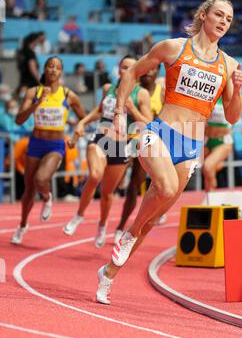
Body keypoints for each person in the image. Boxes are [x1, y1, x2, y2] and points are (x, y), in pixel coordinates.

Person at [96, 0, 242, 304]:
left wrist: (238, 89)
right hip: (160, 132)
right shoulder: (174, 47)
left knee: (152, 220)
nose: (223, 22)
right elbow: (132, 72)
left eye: (228, 19)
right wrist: (119, 112)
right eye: (219, 15)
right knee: (164, 187)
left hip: (192, 143)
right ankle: (128, 233)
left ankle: (108, 274)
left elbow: (232, 116)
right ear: (204, 15)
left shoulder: (228, 64)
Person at [62, 55, 152, 248]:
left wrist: (132, 109)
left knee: (107, 192)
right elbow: (99, 110)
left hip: (120, 145)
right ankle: (78, 216)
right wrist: (82, 122)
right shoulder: (108, 89)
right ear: (118, 69)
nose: (126, 71)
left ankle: (102, 226)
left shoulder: (141, 93)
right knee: (94, 176)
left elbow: (148, 123)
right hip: (100, 139)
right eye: (123, 67)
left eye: (130, 67)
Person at [11, 56, 85, 245]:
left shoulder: (69, 95)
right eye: (50, 66)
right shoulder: (33, 92)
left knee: (41, 179)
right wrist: (37, 103)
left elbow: (84, 119)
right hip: (36, 143)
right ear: (44, 70)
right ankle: (22, 225)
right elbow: (18, 120)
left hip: (56, 145)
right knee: (28, 190)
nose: (53, 70)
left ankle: (47, 196)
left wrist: (76, 136)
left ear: (61, 72)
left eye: (57, 67)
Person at [114, 65, 164, 242]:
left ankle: (153, 214)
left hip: (151, 140)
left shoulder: (161, 91)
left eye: (152, 70)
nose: (149, 72)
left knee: (140, 185)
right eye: (146, 70)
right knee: (129, 184)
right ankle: (121, 225)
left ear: (157, 71)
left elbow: (161, 121)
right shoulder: (130, 88)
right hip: (129, 139)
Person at [202, 96, 242, 192]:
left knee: (208, 166)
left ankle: (213, 196)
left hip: (223, 141)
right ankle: (209, 199)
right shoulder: (212, 92)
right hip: (206, 139)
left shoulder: (233, 95)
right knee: (208, 172)